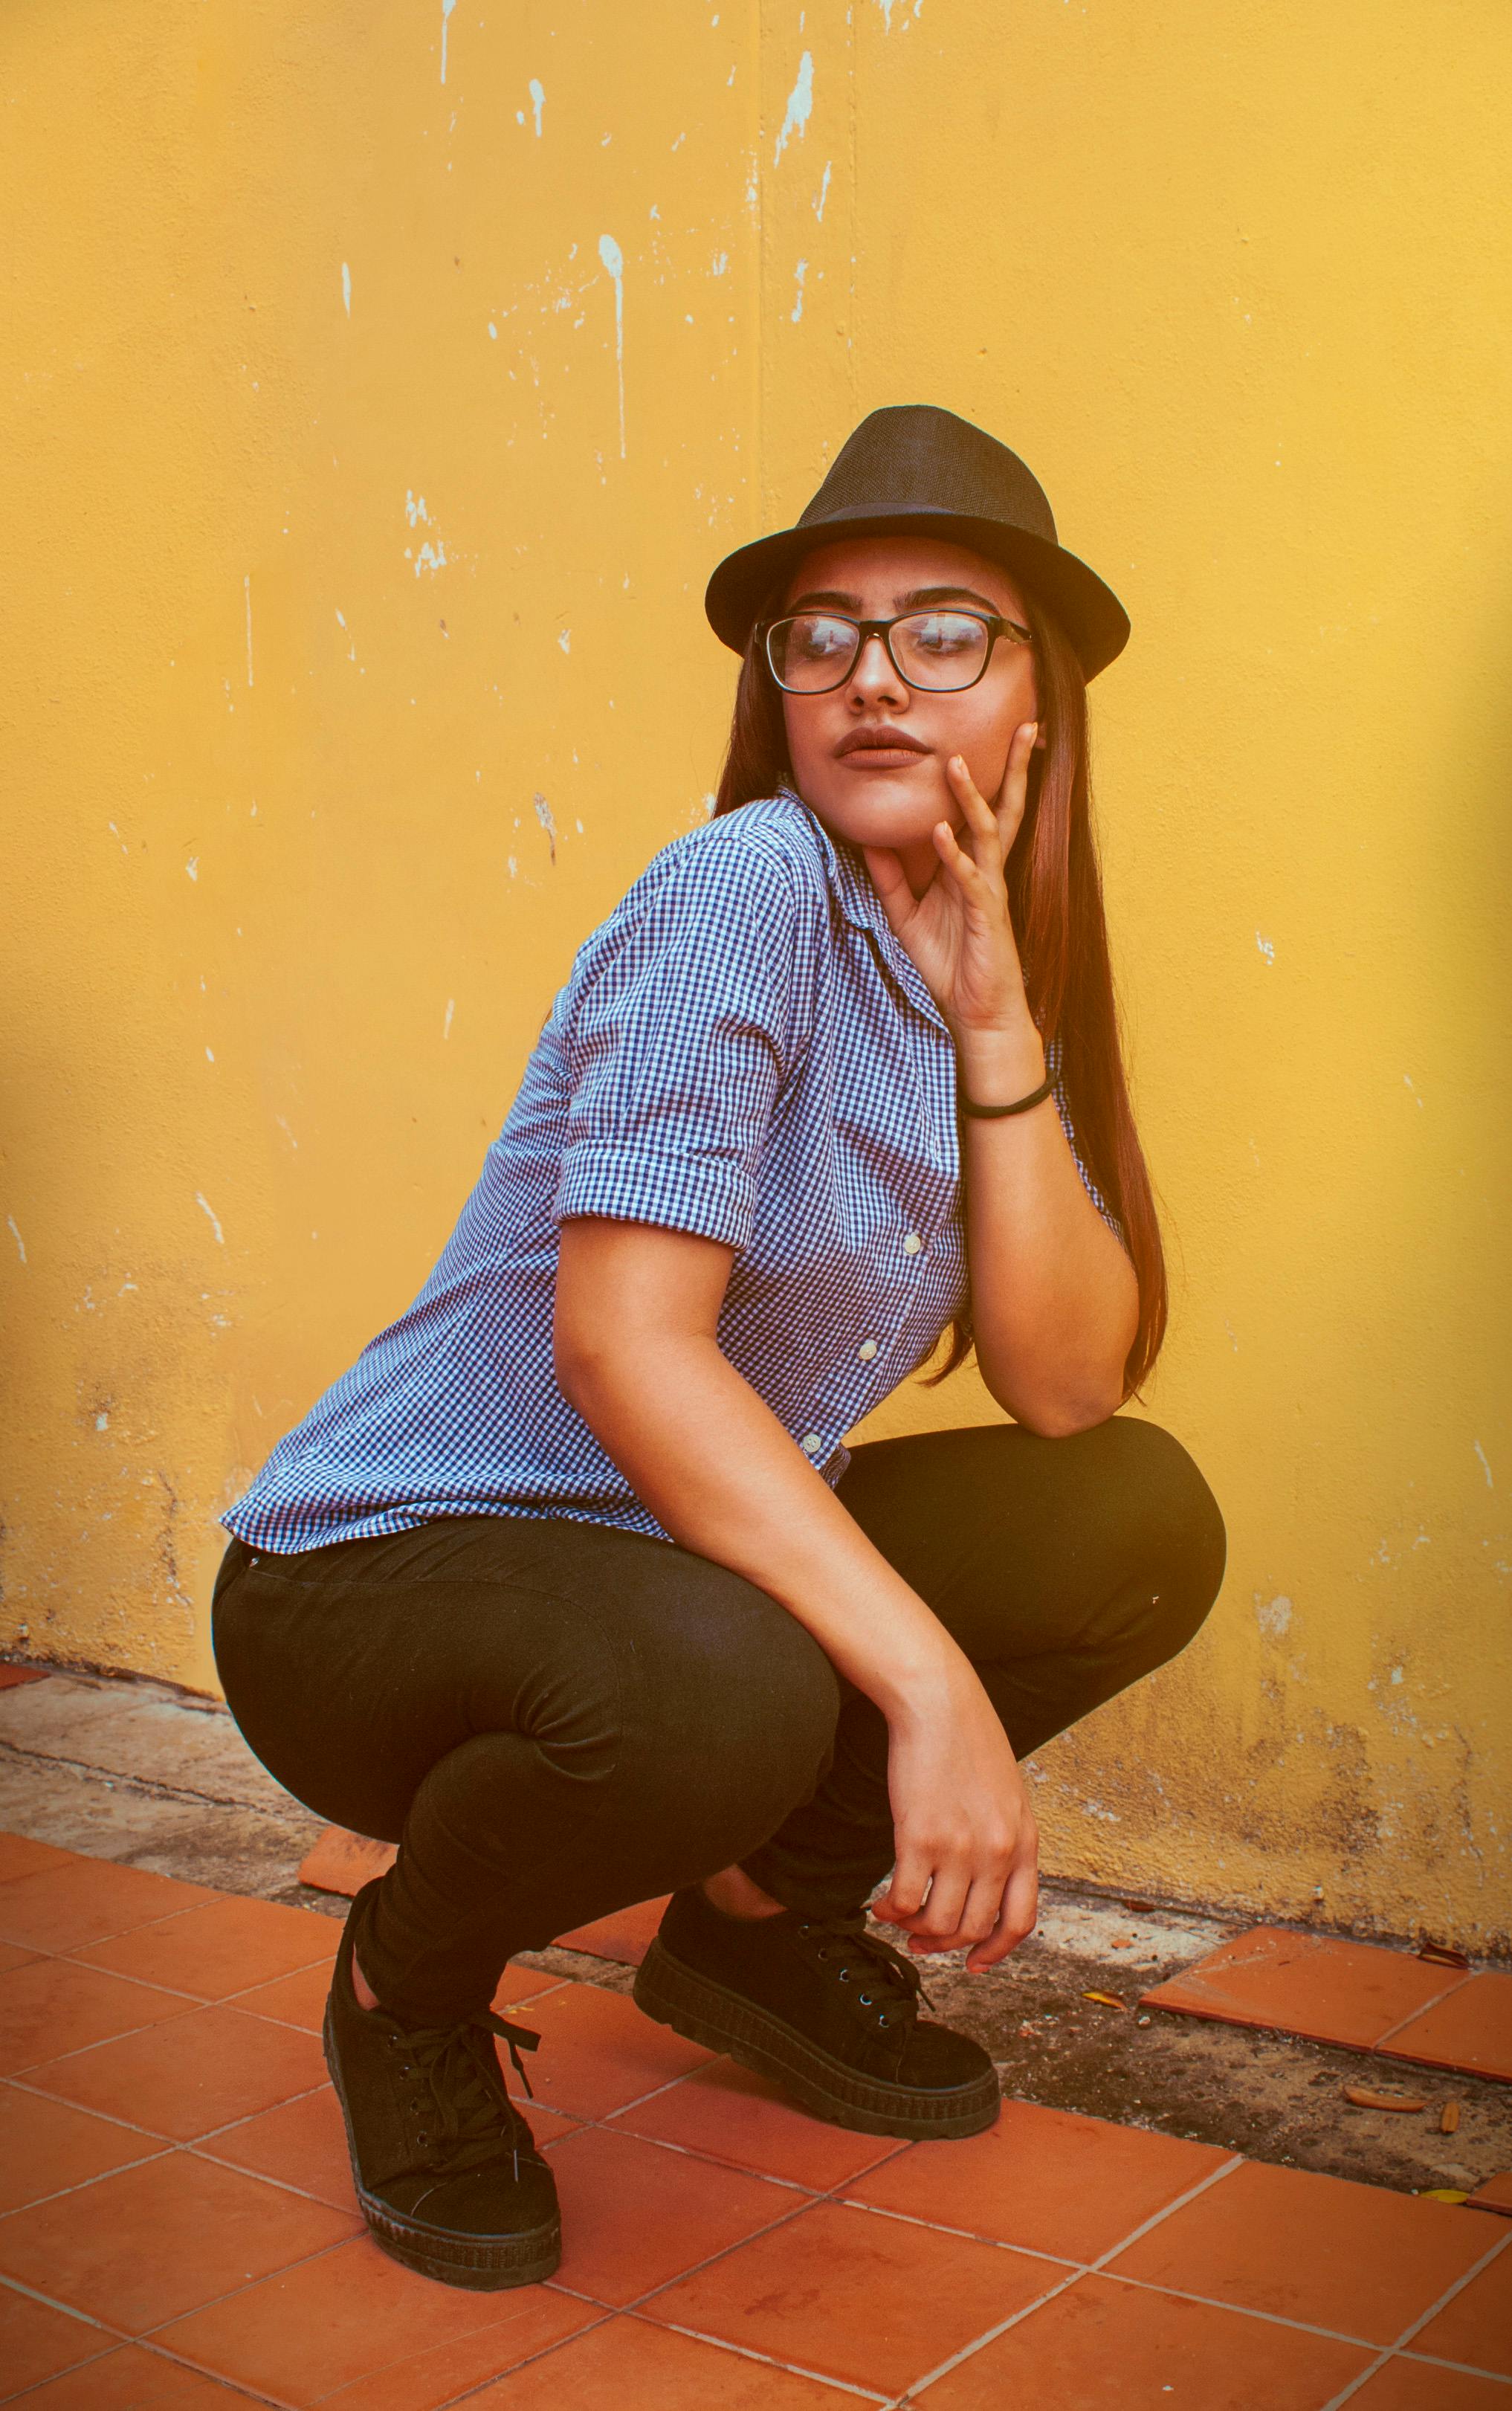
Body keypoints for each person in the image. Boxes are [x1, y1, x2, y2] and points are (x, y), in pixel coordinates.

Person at [210, 403, 1227, 2293]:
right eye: (822, 633)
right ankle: (401, 1985)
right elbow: (626, 1352)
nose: (870, 677)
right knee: (734, 1684)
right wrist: (928, 1689)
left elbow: (1070, 1389)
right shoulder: (744, 886)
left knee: (1134, 1516)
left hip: (662, 1580)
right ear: (778, 686)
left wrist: (1001, 1030)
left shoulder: (973, 955)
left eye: (944, 631)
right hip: (374, 1573)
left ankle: (758, 1916)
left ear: (1038, 701)